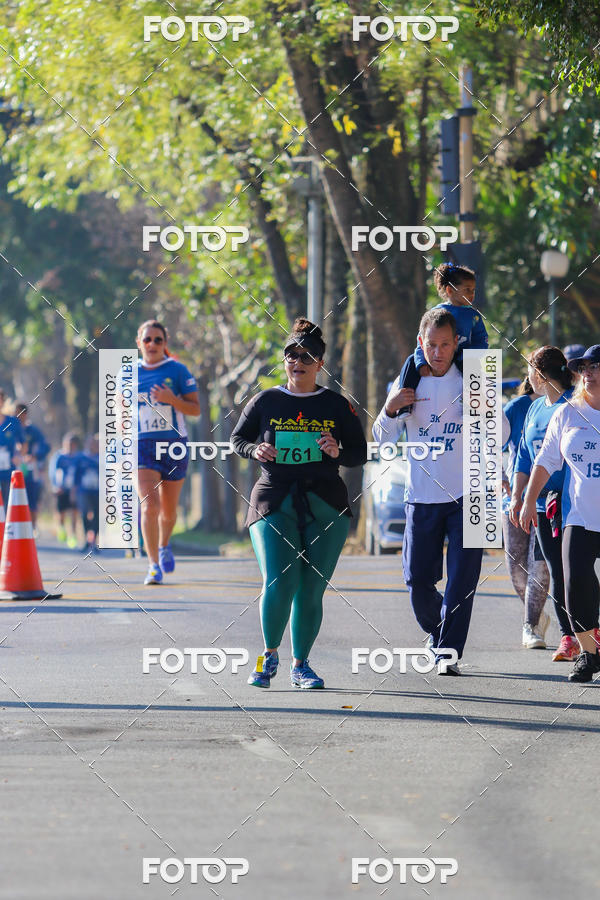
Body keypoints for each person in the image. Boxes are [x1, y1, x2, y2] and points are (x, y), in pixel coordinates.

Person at [231, 318, 367, 690]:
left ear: (320, 365)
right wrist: (254, 448)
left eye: (307, 357)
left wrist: (338, 449)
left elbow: (359, 453)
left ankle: (301, 665)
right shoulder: (266, 400)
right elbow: (238, 439)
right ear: (285, 361)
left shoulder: (337, 405)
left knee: (311, 587)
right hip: (274, 498)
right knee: (279, 579)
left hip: (326, 502)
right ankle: (267, 657)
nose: (299, 362)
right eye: (292, 355)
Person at [372, 308, 483, 675]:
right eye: (431, 345)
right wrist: (391, 408)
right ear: (421, 344)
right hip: (421, 498)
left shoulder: (472, 382)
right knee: (418, 582)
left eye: (445, 345)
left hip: (469, 496)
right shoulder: (409, 383)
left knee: (461, 583)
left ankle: (447, 653)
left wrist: (478, 414)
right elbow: (380, 436)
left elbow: (497, 436)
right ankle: (438, 631)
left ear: (456, 345)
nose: (438, 352)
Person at [520, 344, 600, 682]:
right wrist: (527, 501)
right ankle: (590, 654)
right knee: (574, 584)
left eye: (596, 366)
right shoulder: (568, 412)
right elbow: (546, 460)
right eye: (584, 367)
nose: (589, 372)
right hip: (579, 516)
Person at [509, 347, 586, 662]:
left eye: (529, 370)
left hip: (577, 505)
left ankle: (587, 631)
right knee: (557, 569)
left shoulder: (576, 405)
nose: (527, 376)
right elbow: (525, 456)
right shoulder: (535, 407)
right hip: (543, 507)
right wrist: (518, 495)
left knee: (578, 571)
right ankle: (569, 637)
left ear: (539, 375)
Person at [135, 320, 200, 585]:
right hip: (142, 447)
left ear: (165, 343)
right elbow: (118, 412)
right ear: (139, 343)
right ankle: (152, 565)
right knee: (150, 506)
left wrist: (171, 399)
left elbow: (195, 410)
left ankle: (164, 545)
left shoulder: (178, 370)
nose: (152, 344)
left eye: (157, 340)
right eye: (147, 339)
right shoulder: (127, 373)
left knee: (169, 512)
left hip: (174, 445)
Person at [395, 263, 488, 416]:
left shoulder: (474, 316)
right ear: (450, 290)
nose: (472, 294)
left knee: (472, 369)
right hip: (437, 359)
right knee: (411, 361)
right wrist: (421, 363)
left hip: (463, 358)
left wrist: (471, 355)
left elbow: (482, 339)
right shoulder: (435, 313)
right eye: (467, 290)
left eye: (473, 290)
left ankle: (471, 406)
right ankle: (405, 407)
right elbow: (422, 344)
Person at [502, 378, 550, 649]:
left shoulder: (564, 404)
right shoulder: (516, 408)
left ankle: (530, 625)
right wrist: (500, 477)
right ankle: (538, 614)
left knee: (539, 564)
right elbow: (490, 445)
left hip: (547, 500)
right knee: (516, 569)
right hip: (514, 499)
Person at [15, 403, 51, 529]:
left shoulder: (33, 431)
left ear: (25, 414)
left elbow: (46, 446)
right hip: (12, 469)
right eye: (15, 413)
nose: (16, 416)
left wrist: (35, 456)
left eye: (19, 413)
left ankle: (32, 527)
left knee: (31, 499)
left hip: (30, 470)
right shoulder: (10, 427)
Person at [49, 433, 82, 548]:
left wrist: (77, 487)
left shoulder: (78, 457)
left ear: (75, 445)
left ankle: (73, 534)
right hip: (61, 489)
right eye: (68, 444)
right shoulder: (59, 457)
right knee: (61, 511)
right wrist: (55, 486)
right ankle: (61, 528)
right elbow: (53, 472)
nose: (70, 447)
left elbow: (80, 473)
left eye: (72, 444)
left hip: (73, 489)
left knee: (74, 512)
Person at [75, 434, 100, 553]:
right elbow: (75, 475)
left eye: (95, 444)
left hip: (98, 491)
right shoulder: (81, 457)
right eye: (90, 443)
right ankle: (86, 539)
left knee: (97, 516)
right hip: (83, 491)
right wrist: (73, 491)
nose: (93, 446)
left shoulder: (102, 458)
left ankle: (94, 541)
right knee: (85, 514)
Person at [0, 389, 25, 505]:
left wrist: (19, 456)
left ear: (3, 402)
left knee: (6, 505)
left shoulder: (13, 422)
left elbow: (23, 444)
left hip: (8, 472)